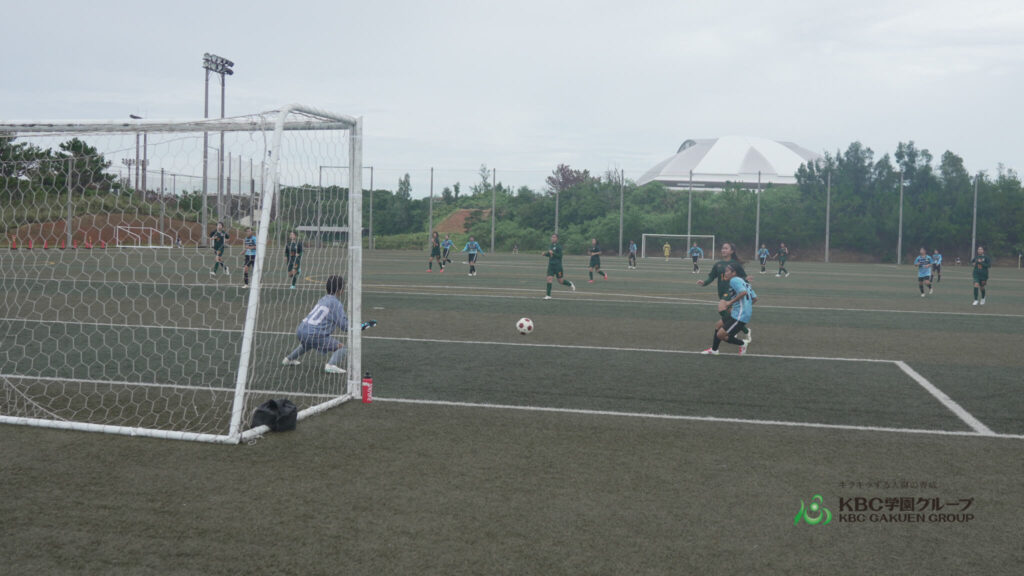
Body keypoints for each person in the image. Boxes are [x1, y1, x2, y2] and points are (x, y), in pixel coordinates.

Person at [281, 275, 349, 374]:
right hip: (314, 334)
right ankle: (331, 365)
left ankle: (288, 359)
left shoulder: (323, 299)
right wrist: (356, 327)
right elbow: (344, 326)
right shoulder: (336, 304)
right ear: (340, 290)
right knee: (343, 347)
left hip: (301, 330)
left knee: (308, 344)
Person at [698, 241, 751, 342]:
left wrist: (746, 280)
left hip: (731, 292)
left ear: (732, 251)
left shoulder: (736, 264)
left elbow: (743, 277)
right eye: (723, 248)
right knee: (731, 314)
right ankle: (745, 330)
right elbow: (711, 277)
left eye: (726, 248)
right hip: (722, 292)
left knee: (721, 308)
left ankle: (732, 329)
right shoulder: (718, 264)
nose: (723, 250)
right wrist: (704, 283)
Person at [701, 264, 752, 355]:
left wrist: (730, 302)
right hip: (737, 312)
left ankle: (742, 343)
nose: (725, 273)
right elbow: (755, 298)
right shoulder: (743, 281)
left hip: (740, 315)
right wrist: (746, 306)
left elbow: (743, 292)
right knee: (718, 325)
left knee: (720, 335)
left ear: (734, 273)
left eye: (728, 271)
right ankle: (714, 350)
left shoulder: (734, 280)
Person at [543, 233, 575, 299]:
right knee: (549, 279)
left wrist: (553, 253)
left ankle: (570, 284)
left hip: (558, 267)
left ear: (557, 239)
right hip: (551, 266)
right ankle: (548, 295)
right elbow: (550, 254)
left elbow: (560, 256)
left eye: (554, 237)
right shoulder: (551, 245)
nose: (552, 238)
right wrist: (545, 254)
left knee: (560, 281)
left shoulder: (559, 246)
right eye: (552, 237)